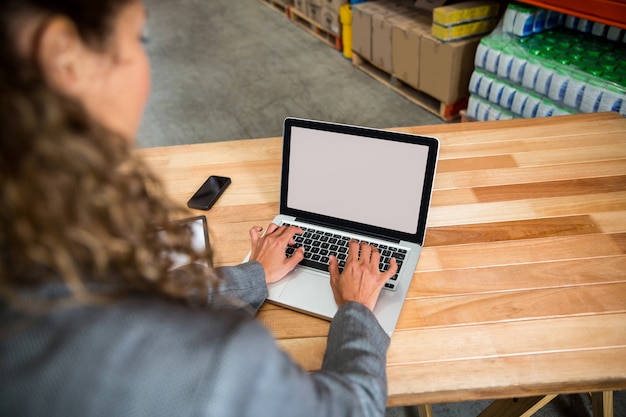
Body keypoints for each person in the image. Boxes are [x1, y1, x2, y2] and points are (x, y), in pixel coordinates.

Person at [0, 0, 398, 416]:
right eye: (139, 38)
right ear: (65, 58)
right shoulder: (207, 365)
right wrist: (355, 310)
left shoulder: (37, 245)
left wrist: (254, 276)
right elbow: (353, 409)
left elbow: (144, 298)